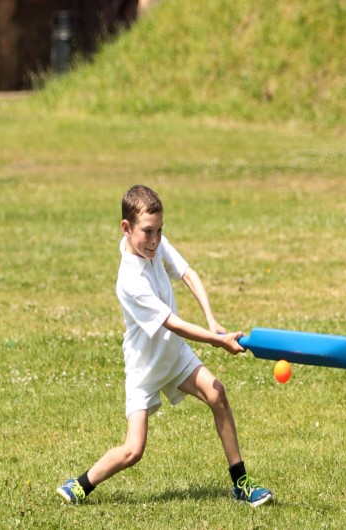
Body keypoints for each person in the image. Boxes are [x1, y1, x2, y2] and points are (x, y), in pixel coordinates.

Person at [56, 185, 273, 507]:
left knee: (217, 394)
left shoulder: (155, 246)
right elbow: (172, 322)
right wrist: (217, 341)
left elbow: (188, 274)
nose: (155, 240)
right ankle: (80, 484)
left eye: (159, 230)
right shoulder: (129, 280)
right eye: (148, 232)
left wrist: (212, 320)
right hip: (145, 368)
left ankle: (240, 482)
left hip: (174, 355)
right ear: (126, 229)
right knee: (133, 450)